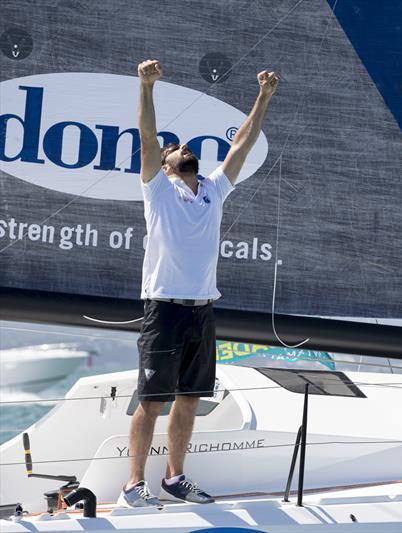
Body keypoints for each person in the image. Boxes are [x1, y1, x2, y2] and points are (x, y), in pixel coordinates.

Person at [118, 59, 278, 508]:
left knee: (189, 399)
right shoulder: (159, 188)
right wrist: (145, 87)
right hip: (164, 308)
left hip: (202, 308)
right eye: (176, 147)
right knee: (152, 401)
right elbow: (148, 138)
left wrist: (262, 98)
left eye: (185, 146)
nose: (183, 147)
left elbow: (242, 148)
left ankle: (174, 478)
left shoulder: (212, 188)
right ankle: (133, 483)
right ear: (167, 165)